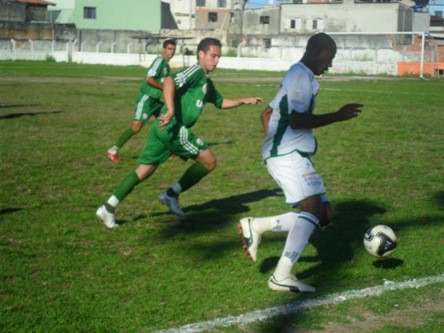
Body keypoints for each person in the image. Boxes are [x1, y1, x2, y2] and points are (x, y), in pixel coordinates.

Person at [238, 33, 364, 293]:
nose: (329, 64)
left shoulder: (300, 75)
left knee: (325, 214)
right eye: (330, 57)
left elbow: (268, 113)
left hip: (288, 153)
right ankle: (281, 276)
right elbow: (297, 120)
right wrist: (338, 116)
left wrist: (275, 142)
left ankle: (257, 225)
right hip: (288, 155)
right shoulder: (299, 76)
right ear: (319, 50)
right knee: (313, 207)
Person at [97, 37, 263, 227]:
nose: (216, 60)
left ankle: (108, 207)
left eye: (218, 57)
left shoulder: (206, 82)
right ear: (201, 54)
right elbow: (169, 81)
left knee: (144, 171)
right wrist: (171, 109)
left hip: (162, 129)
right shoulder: (195, 71)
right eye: (213, 56)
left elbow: (220, 102)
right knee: (209, 161)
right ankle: (171, 194)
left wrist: (243, 100)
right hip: (174, 128)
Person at [106, 39, 177, 162]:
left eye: (174, 49)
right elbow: (149, 78)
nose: (171, 52)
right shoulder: (159, 61)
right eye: (169, 49)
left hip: (155, 101)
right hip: (147, 99)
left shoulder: (166, 65)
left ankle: (168, 149)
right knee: (136, 127)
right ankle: (113, 150)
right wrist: (164, 87)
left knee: (168, 120)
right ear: (164, 49)